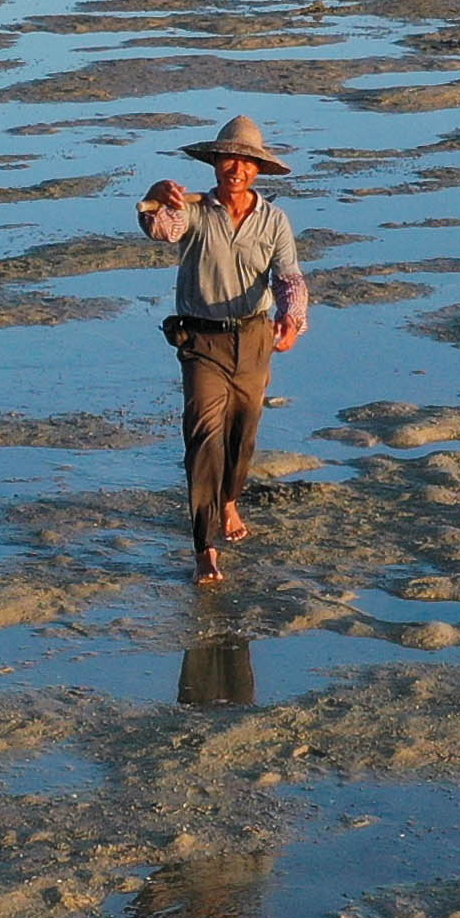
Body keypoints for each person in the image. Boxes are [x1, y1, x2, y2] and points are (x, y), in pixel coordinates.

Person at [129, 113, 314, 580]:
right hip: (201, 340)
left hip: (254, 337)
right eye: (228, 159)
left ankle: (230, 499)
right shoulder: (191, 210)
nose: (236, 168)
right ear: (214, 163)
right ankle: (204, 545)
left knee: (242, 432)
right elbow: (160, 228)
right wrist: (155, 195)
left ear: (258, 170)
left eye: (246, 162)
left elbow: (288, 275)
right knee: (204, 435)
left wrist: (292, 318)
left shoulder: (273, 220)